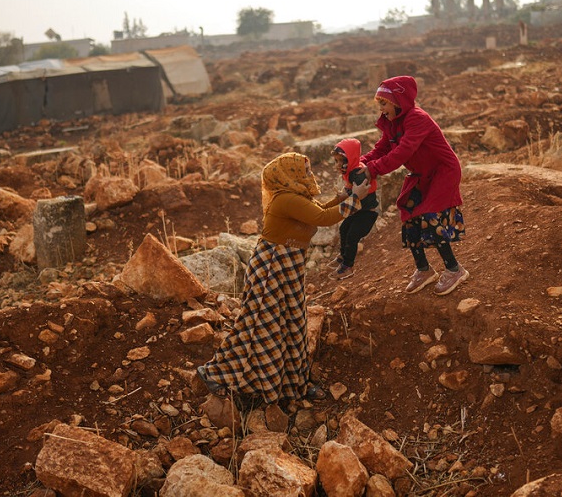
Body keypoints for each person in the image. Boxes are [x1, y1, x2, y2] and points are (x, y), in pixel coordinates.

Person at [198, 152, 369, 405]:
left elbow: (319, 209)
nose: (309, 175)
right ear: (290, 174)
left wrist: (341, 198)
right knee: (258, 326)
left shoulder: (296, 197)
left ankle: (293, 386)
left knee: (293, 325)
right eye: (305, 171)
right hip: (271, 268)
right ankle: (214, 372)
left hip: (289, 268)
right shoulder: (286, 199)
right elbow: (321, 218)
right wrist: (356, 199)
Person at [361, 75, 468, 295]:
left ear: (399, 101)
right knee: (409, 214)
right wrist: (360, 162)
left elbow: (402, 152)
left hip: (442, 171)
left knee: (430, 215)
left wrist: (373, 169)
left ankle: (455, 269)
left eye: (384, 103)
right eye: (379, 104)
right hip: (421, 174)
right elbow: (382, 149)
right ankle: (424, 269)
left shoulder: (417, 118)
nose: (381, 109)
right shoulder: (393, 122)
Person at [324, 138, 379, 280]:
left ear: (351, 159)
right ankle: (343, 256)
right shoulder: (350, 172)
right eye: (335, 161)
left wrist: (346, 195)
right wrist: (340, 196)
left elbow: (358, 193)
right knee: (343, 229)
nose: (337, 165)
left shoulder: (358, 174)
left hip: (367, 213)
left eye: (340, 161)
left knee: (352, 236)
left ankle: (348, 266)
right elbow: (349, 190)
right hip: (358, 211)